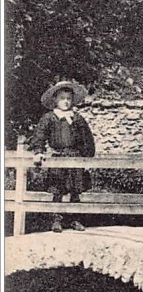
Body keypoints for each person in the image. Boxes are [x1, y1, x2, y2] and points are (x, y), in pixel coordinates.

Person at [29, 79, 95, 232]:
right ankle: (56, 220)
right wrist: (38, 151)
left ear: (72, 100)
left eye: (68, 99)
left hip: (75, 157)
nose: (65, 102)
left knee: (75, 191)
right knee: (57, 189)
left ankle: (75, 219)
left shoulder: (77, 118)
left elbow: (87, 139)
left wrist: (87, 156)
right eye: (62, 98)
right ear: (55, 99)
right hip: (58, 157)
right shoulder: (49, 118)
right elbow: (39, 136)